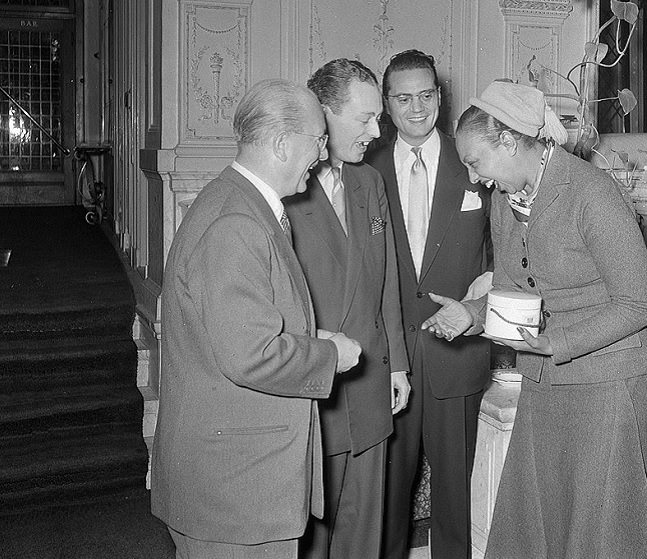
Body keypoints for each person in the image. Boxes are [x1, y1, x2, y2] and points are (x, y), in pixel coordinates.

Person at [423, 80, 647, 559]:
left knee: (604, 526)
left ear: (509, 142)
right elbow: (513, 295)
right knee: (543, 516)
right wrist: (472, 314)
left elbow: (638, 304)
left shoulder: (591, 192)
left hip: (613, 379)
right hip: (548, 381)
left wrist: (555, 343)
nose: (474, 177)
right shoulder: (506, 202)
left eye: (475, 161)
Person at [150, 78, 363, 559]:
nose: (325, 153)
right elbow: (250, 355)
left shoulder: (241, 205)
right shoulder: (237, 223)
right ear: (284, 144)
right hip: (235, 492)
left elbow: (242, 324)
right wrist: (330, 354)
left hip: (239, 481)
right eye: (319, 140)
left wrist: (308, 335)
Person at [365, 50, 492, 559]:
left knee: (456, 496)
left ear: (439, 96)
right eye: (403, 97)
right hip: (385, 356)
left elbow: (503, 254)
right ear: (386, 105)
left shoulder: (473, 158)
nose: (417, 108)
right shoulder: (363, 165)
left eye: (426, 95)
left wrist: (476, 303)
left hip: (456, 350)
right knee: (386, 495)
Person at [284, 59, 410, 559]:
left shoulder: (369, 184)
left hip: (373, 386)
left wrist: (398, 362)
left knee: (364, 541)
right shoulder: (287, 191)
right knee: (313, 540)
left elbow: (388, 283)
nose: (376, 132)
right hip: (319, 392)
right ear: (323, 113)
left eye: (377, 117)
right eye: (364, 119)